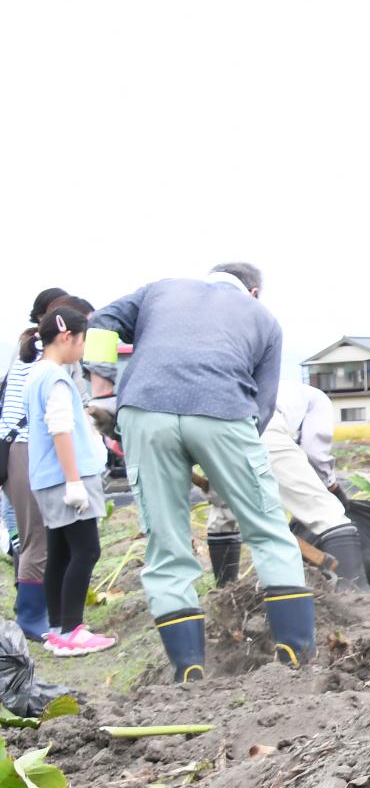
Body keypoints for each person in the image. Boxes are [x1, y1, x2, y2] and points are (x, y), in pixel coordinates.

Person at [84, 264, 311, 683]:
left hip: (144, 410)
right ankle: (295, 661)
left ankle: (188, 672)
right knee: (267, 531)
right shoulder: (263, 318)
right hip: (224, 411)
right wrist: (234, 468)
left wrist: (103, 389)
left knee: (166, 544)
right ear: (254, 292)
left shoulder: (160, 290)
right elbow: (262, 407)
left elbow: (101, 320)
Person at [205, 381, 369, 590]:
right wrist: (331, 486)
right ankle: (355, 591)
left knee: (224, 510)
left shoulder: (264, 386)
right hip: (262, 424)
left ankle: (226, 590)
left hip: (214, 425)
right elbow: (314, 452)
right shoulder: (317, 398)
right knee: (325, 511)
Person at [22, 305, 116, 656]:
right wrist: (74, 481)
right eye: (82, 340)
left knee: (60, 553)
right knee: (86, 550)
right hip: (66, 478)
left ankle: (59, 629)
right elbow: (60, 429)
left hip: (46, 478)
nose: (83, 348)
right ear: (66, 337)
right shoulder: (57, 379)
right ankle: (73, 629)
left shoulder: (37, 374)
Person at [4, 287, 74, 641]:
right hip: (25, 447)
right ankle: (32, 618)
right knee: (38, 537)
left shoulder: (32, 348)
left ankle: (40, 611)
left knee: (36, 534)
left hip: (19, 448)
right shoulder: (40, 354)